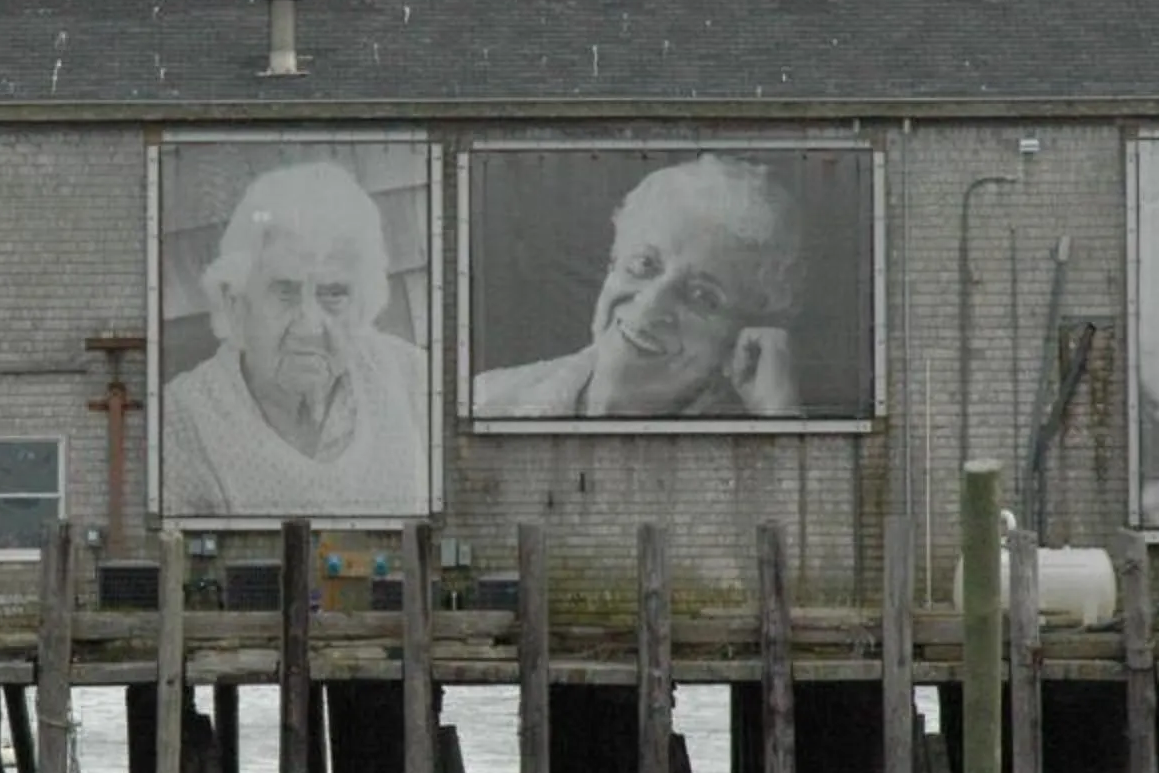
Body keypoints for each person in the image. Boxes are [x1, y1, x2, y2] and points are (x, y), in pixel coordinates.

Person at [161, 160, 430, 517]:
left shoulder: (411, 378)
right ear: (235, 304)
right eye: (285, 292)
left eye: (333, 294)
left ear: (364, 304)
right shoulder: (184, 422)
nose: (309, 326)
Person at [472, 154, 805, 418]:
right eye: (644, 264)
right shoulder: (487, 401)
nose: (650, 306)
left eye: (702, 296)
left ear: (742, 340)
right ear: (612, 264)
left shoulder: (749, 460)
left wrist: (780, 417)